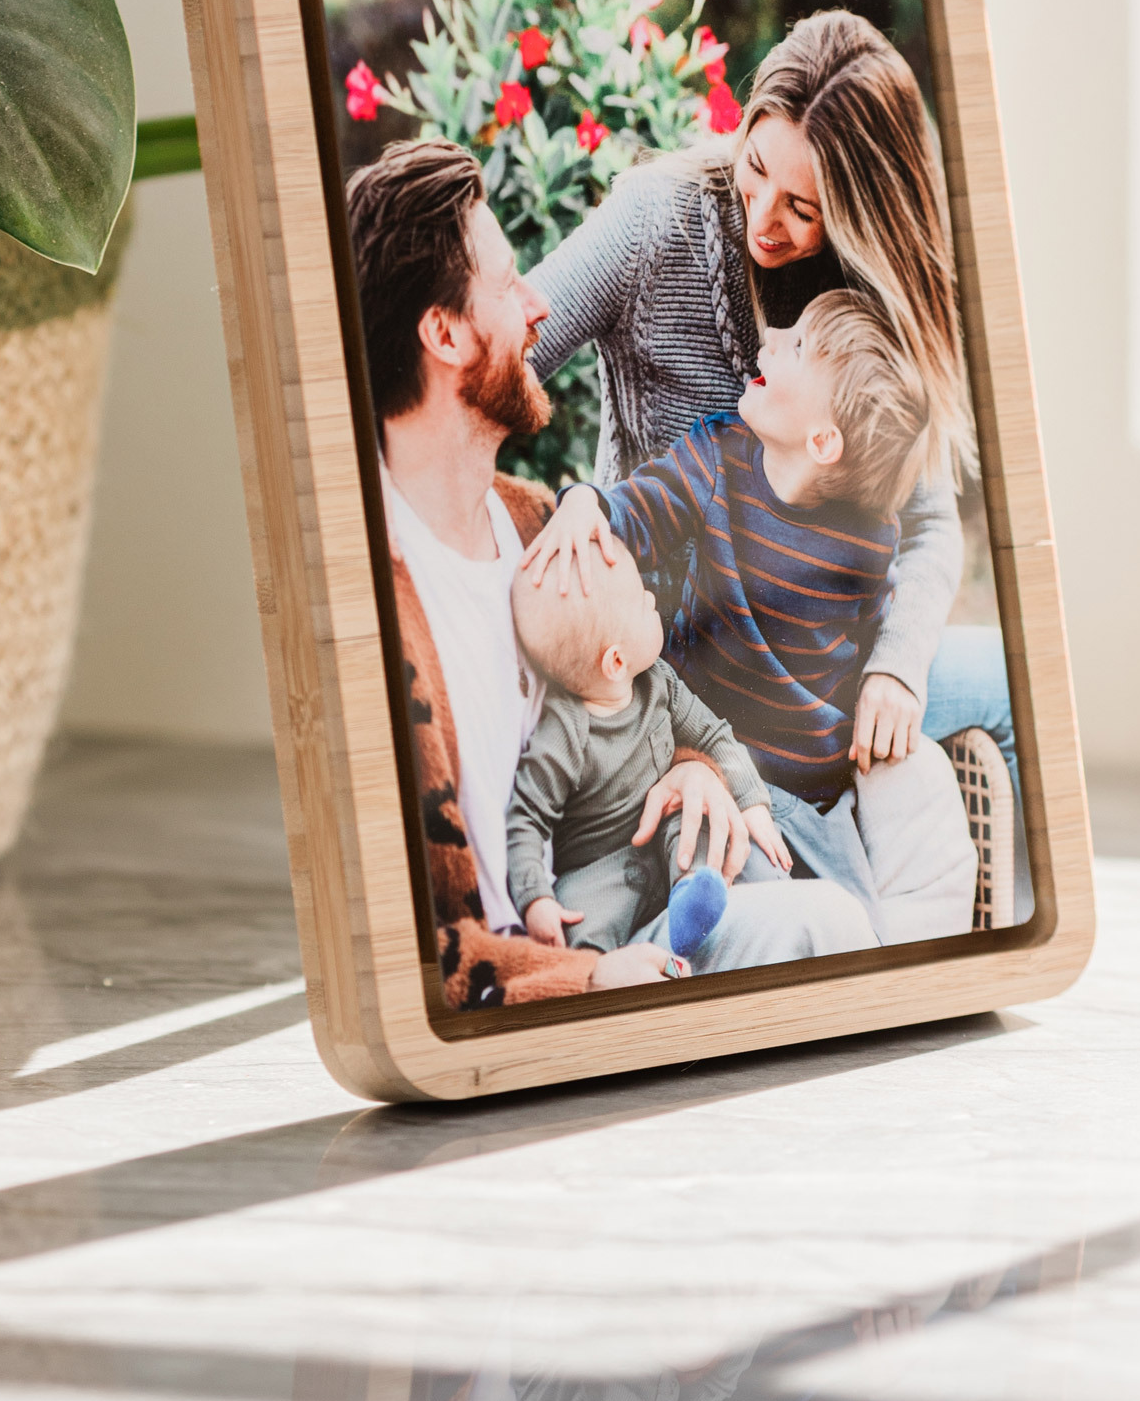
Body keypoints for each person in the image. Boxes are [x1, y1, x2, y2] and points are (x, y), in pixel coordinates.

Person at [344, 135, 877, 1011]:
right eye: (508, 287)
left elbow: (633, 695)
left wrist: (692, 768)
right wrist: (587, 976)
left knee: (831, 920)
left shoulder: (545, 531)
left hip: (644, 918)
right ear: (442, 333)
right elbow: (427, 959)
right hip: (537, 987)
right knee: (830, 930)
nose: (539, 307)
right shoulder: (379, 613)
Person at [526, 9, 1024, 889]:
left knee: (1019, 684)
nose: (763, 218)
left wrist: (896, 671)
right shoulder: (656, 222)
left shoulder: (869, 297)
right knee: (786, 879)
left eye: (804, 208)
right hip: (690, 676)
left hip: (828, 663)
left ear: (863, 212)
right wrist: (556, 512)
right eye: (754, 169)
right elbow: (506, 351)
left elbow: (927, 523)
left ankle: (978, 924)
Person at [523, 292, 979, 944]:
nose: (772, 336)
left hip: (814, 793)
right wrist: (583, 505)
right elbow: (634, 513)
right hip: (705, 761)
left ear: (823, 441)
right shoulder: (716, 456)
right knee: (727, 872)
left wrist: (892, 682)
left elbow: (866, 643)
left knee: (855, 924)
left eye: (797, 345)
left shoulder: (871, 538)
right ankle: (671, 928)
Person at [506, 537, 789, 960]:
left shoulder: (658, 683)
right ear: (616, 662)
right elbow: (526, 818)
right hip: (601, 869)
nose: (652, 597)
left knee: (696, 822)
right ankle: (602, 969)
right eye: (642, 600)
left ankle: (692, 900)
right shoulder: (564, 732)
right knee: (578, 921)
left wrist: (752, 803)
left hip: (669, 836)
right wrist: (536, 899)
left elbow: (713, 735)